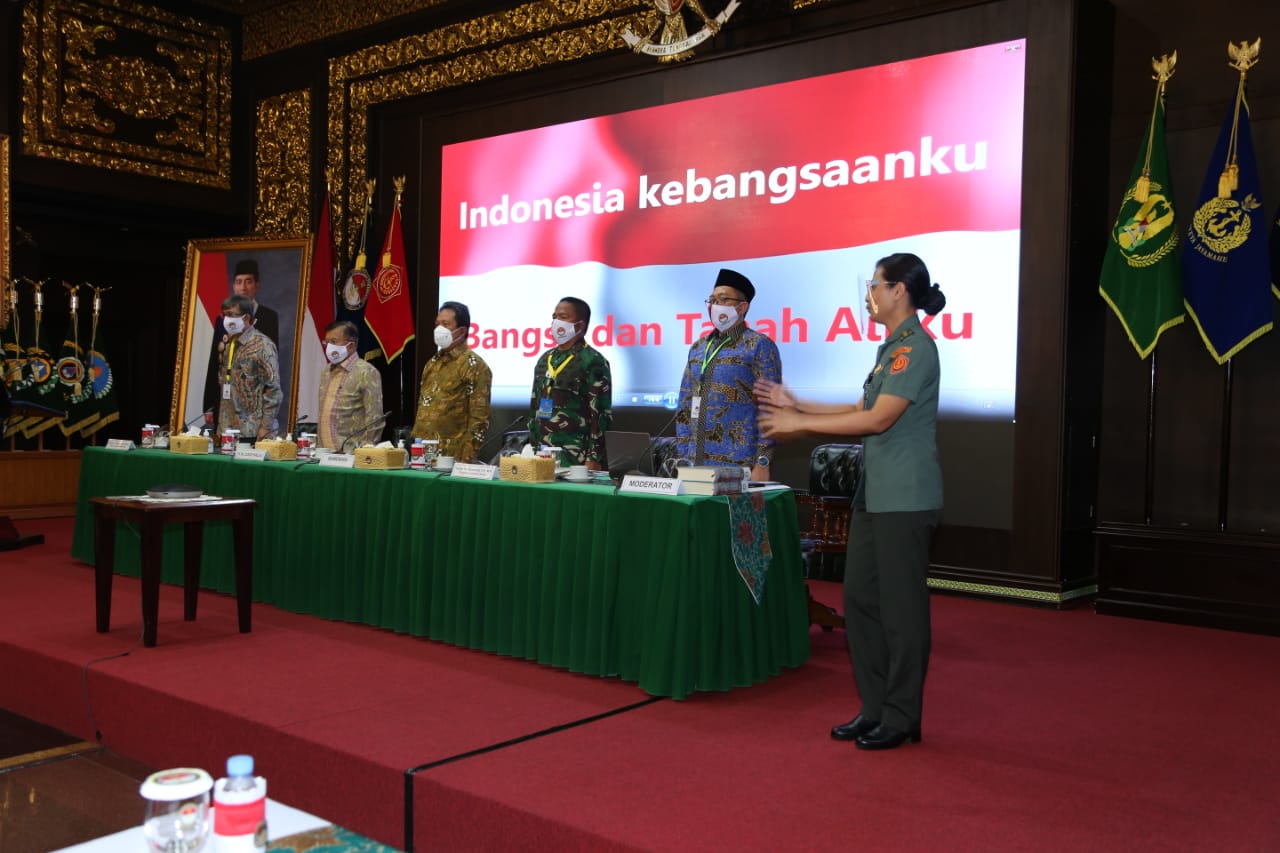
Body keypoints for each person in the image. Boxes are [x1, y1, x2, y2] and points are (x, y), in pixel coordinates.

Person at [757, 252, 945, 751]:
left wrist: (800, 424)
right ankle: (875, 707)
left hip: (905, 497)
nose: (868, 295)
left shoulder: (916, 349)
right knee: (860, 601)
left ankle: (902, 716)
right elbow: (860, 406)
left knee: (901, 611)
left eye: (874, 285)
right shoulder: (890, 350)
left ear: (899, 290)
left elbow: (878, 419)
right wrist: (798, 403)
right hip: (875, 494)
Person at [675, 268, 782, 481]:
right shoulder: (698, 348)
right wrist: (683, 456)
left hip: (739, 466)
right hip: (695, 464)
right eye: (712, 300)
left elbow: (771, 409)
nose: (715, 305)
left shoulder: (758, 345)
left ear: (742, 307)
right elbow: (685, 404)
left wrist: (763, 462)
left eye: (723, 299)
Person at [526, 297, 612, 469]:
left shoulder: (593, 361)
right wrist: (531, 447)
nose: (556, 322)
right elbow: (535, 407)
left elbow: (600, 415)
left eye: (563, 317)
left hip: (575, 456)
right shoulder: (545, 359)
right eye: (554, 317)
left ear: (579, 326)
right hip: (541, 453)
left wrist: (594, 458)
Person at [411, 301, 492, 462]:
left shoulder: (474, 365)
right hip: (422, 454)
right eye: (437, 324)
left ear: (462, 330)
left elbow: (479, 420)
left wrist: (465, 460)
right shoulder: (432, 362)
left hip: (452, 457)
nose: (439, 329)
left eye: (446, 324)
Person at [204, 259, 280, 419]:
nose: (243, 287)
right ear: (233, 286)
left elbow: (271, 372)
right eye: (238, 282)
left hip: (253, 405)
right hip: (226, 404)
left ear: (256, 285)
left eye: (248, 281)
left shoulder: (269, 318)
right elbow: (215, 362)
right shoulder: (222, 320)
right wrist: (209, 405)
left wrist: (267, 417)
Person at [214, 294, 282, 441]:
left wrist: (266, 427)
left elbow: (273, 390)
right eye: (224, 315)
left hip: (252, 430)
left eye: (231, 315)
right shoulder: (229, 343)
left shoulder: (262, 345)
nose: (226, 319)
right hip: (226, 428)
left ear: (246, 318)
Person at [317, 320, 384, 451]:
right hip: (323, 453)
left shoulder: (366, 371)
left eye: (334, 341)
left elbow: (375, 418)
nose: (329, 347)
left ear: (351, 345)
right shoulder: (326, 371)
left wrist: (366, 450)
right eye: (327, 342)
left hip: (351, 454)